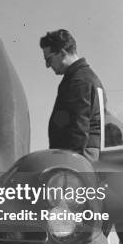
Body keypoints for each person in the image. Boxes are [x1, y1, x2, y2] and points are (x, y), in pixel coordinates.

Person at [40, 29, 103, 162]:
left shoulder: (78, 81)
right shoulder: (84, 77)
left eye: (49, 59)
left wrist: (68, 165)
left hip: (77, 158)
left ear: (62, 53)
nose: (47, 65)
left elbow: (77, 130)